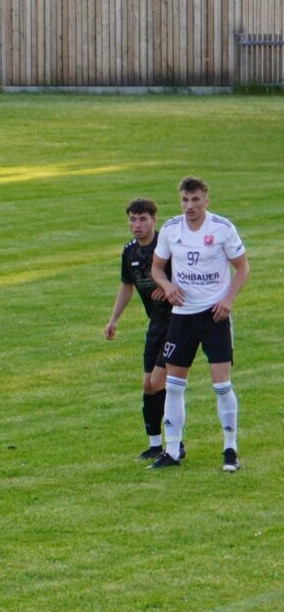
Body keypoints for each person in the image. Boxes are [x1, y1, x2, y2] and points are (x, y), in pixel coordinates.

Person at [149, 176, 249, 472]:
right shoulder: (170, 229)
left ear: (206, 200)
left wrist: (228, 300)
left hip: (214, 316)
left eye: (195, 200)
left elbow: (242, 267)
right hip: (182, 317)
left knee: (221, 386)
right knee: (174, 385)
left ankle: (230, 450)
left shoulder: (221, 229)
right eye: (184, 200)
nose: (189, 206)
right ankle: (172, 450)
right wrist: (167, 286)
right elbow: (156, 268)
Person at [104, 198, 174, 460]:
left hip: (177, 322)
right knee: (148, 385)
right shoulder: (130, 252)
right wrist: (113, 320)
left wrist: (166, 286)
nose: (137, 225)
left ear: (155, 220)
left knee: (160, 381)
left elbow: (186, 278)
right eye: (133, 219)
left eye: (143, 219)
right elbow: (126, 286)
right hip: (155, 323)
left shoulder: (166, 247)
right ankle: (155, 445)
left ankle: (175, 443)